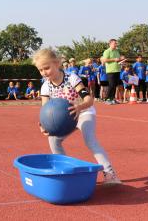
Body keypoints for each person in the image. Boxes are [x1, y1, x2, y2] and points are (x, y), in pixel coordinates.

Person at [33, 48, 121, 185]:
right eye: (40, 70)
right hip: (65, 119)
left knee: (90, 140)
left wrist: (79, 107)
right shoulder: (45, 87)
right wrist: (44, 124)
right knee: (53, 140)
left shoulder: (71, 78)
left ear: (56, 64)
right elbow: (45, 109)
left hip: (84, 112)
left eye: (47, 68)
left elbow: (89, 100)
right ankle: (65, 173)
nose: (44, 72)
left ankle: (110, 174)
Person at [102, 39, 125, 105]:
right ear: (110, 44)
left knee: (115, 85)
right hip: (110, 70)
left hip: (117, 70)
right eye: (114, 43)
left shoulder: (117, 51)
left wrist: (121, 61)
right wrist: (114, 59)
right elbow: (105, 60)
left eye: (116, 43)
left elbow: (118, 60)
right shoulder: (107, 51)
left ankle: (112, 99)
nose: (116, 44)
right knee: (111, 85)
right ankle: (107, 99)